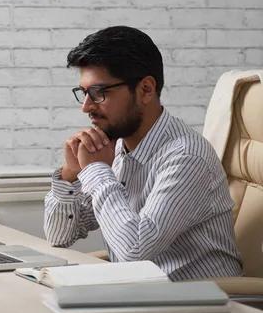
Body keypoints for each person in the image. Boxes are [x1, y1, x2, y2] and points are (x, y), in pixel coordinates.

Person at [44, 26, 243, 280]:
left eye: (98, 93)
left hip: (198, 304)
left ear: (146, 89)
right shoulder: (115, 149)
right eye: (84, 93)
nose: (86, 107)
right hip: (142, 295)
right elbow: (59, 236)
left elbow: (134, 252)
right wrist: (70, 176)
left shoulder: (186, 158)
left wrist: (96, 171)